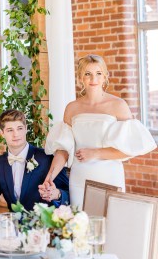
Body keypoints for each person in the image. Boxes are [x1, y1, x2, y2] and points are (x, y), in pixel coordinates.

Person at [40, 54, 156, 208]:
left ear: (105, 77)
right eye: (88, 74)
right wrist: (50, 177)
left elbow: (128, 151)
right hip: (79, 178)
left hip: (109, 177)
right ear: (81, 77)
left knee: (110, 224)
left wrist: (95, 153)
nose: (93, 78)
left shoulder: (118, 105)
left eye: (98, 73)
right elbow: (63, 150)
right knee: (80, 225)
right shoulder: (72, 108)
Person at [0, 109, 69, 212]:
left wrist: (57, 194)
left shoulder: (47, 158)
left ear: (26, 129)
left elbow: (69, 196)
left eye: (20, 128)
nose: (16, 134)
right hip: (14, 226)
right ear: (2, 133)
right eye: (10, 130)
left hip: (43, 226)